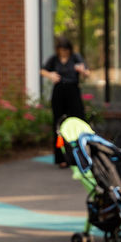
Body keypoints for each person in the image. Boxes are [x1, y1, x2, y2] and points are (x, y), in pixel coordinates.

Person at [41, 36, 88, 167]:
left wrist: (82, 70)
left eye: (66, 50)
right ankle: (61, 157)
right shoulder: (54, 59)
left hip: (73, 91)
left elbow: (87, 72)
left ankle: (79, 156)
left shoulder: (75, 58)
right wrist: (50, 75)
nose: (64, 53)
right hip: (59, 92)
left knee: (78, 122)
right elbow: (43, 70)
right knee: (59, 124)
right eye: (62, 50)